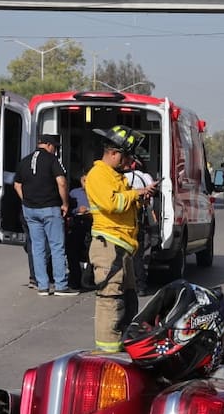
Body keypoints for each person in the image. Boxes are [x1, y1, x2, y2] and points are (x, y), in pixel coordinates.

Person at [83, 125, 153, 352]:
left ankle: (122, 343)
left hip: (122, 247)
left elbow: (125, 203)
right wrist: (136, 194)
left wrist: (140, 198)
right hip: (109, 246)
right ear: (113, 153)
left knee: (128, 299)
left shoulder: (116, 176)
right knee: (110, 300)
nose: (130, 162)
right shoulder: (98, 174)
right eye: (127, 156)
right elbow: (111, 204)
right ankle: (107, 352)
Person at [14, 133, 76, 296]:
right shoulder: (52, 160)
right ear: (48, 145)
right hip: (50, 208)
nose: (55, 150)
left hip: (30, 209)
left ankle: (42, 285)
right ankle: (61, 285)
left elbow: (17, 184)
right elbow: (61, 182)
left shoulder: (25, 161)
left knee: (37, 247)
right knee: (56, 246)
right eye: (55, 147)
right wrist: (65, 203)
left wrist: (26, 199)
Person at [126, 155, 157, 296]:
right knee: (140, 253)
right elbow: (150, 201)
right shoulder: (145, 177)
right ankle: (141, 285)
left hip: (125, 219)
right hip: (140, 218)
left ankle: (128, 284)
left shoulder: (121, 178)